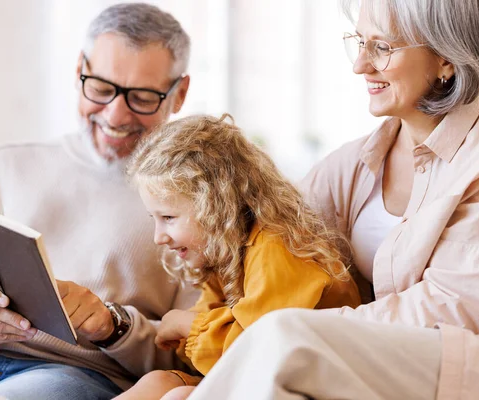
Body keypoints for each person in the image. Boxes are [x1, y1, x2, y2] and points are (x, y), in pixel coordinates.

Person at [183, 0, 479, 398]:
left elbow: (453, 312)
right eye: (360, 42)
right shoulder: (354, 162)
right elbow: (273, 244)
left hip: (464, 370)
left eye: (382, 47)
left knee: (283, 336)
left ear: (446, 59)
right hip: (369, 365)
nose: (360, 65)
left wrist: (316, 331)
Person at [0, 3, 198, 399]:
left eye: (142, 97)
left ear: (179, 94)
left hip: (72, 374)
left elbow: (192, 352)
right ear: (79, 70)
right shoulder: (8, 162)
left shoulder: (196, 204)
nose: (115, 114)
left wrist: (114, 325)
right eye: (101, 88)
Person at [116, 114, 361, 400]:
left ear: (215, 205)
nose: (159, 236)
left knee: (178, 397)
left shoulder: (277, 246)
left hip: (309, 385)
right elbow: (208, 323)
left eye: (168, 217)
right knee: (158, 382)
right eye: (155, 219)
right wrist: (186, 325)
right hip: (256, 378)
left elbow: (254, 349)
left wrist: (186, 325)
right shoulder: (227, 254)